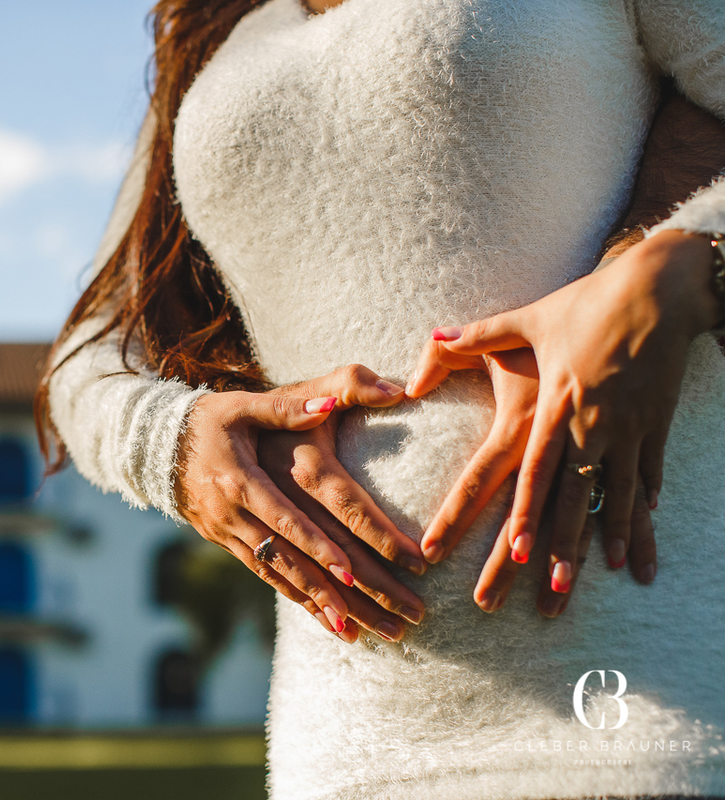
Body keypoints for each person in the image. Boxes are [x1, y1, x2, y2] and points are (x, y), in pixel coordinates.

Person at [35, 0, 725, 797]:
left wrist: (676, 266)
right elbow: (93, 349)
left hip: (658, 711)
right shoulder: (215, 31)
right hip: (349, 745)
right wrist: (173, 445)